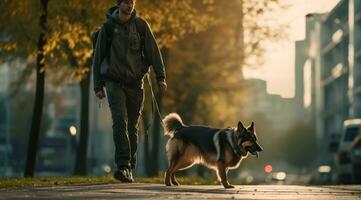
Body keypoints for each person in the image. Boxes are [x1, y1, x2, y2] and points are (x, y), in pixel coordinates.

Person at [93, 0, 167, 183]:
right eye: (126, 2)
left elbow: (153, 52)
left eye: (132, 2)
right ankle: (123, 165)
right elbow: (98, 57)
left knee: (133, 126)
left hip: (135, 83)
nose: (130, 5)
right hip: (114, 82)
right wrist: (98, 85)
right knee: (119, 121)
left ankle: (129, 169)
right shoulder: (108, 27)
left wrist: (161, 77)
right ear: (119, 4)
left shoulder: (141, 26)